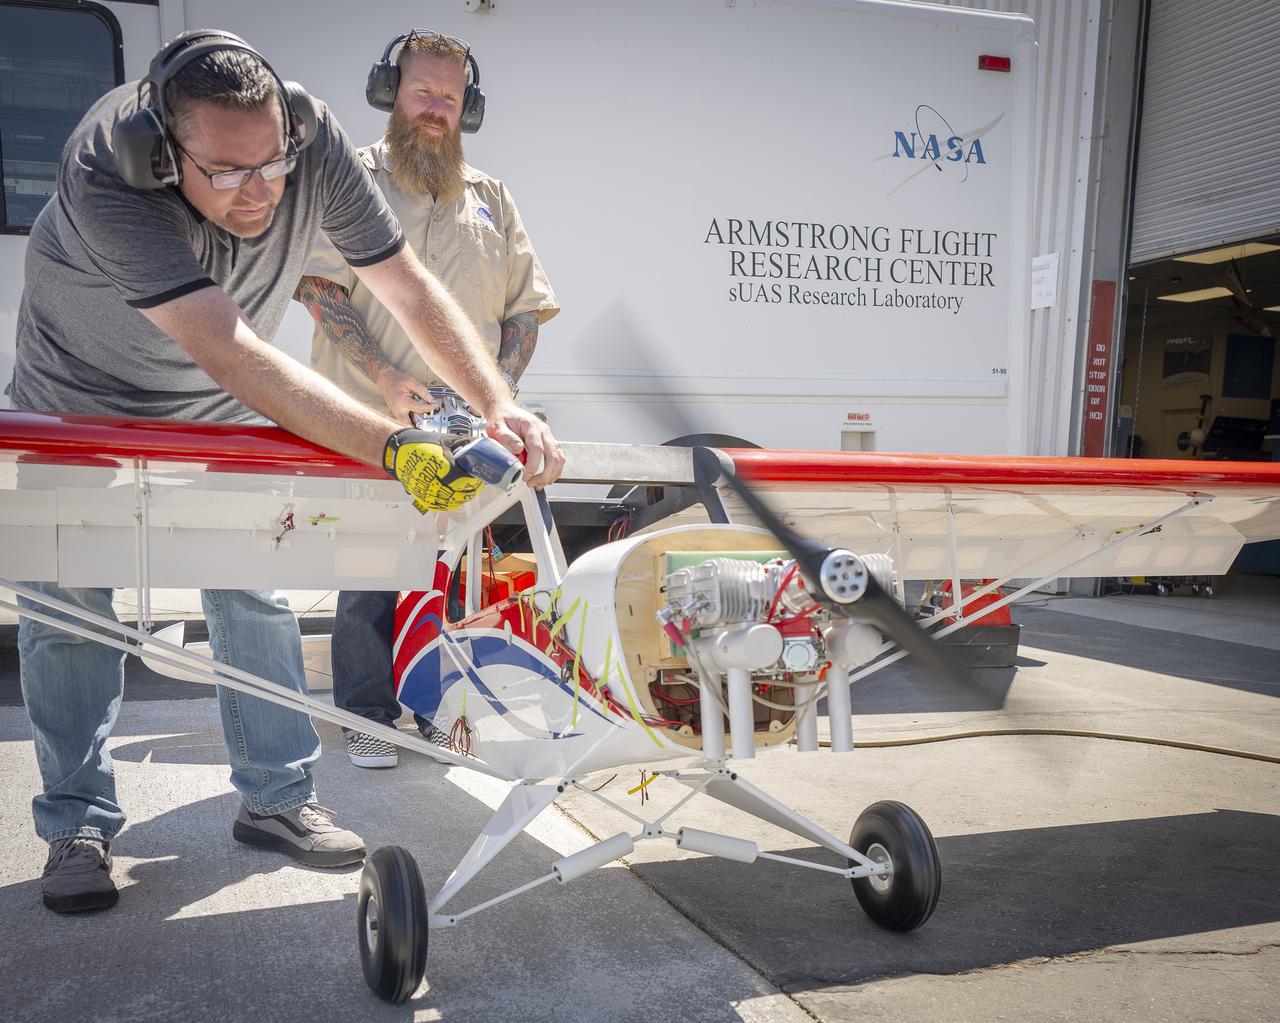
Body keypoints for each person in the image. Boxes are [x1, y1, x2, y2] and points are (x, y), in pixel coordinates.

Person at [6, 29, 564, 914]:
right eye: (227, 173)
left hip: (224, 404)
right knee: (67, 609)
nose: (259, 190)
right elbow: (229, 346)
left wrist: (497, 404)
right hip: (80, 400)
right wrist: (392, 444)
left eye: (271, 163)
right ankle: (76, 823)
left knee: (255, 591)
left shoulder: (310, 144)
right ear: (161, 151)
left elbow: (405, 282)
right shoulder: (105, 176)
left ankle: (277, 797)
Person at [296, 29, 558, 769]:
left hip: (466, 432)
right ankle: (368, 716)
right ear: (391, 94)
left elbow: (526, 310)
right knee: (372, 579)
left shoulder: (493, 200)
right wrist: (382, 372)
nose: (435, 109)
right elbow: (319, 287)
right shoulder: (355, 180)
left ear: (466, 106)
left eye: (449, 97)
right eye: (422, 93)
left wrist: (497, 396)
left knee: (451, 579)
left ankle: (436, 708)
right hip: (370, 421)